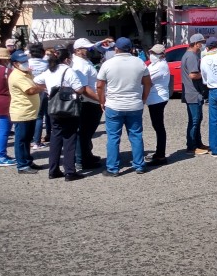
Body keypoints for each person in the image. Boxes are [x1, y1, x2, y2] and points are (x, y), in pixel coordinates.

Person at [96, 37, 151, 176]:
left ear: (116, 49)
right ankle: (139, 165)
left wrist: (102, 101)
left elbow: (99, 85)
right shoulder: (139, 62)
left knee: (113, 137)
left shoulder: (108, 64)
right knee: (136, 135)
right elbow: (148, 83)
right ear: (131, 49)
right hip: (134, 104)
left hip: (114, 105)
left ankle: (113, 168)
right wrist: (143, 98)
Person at [33, 47, 86, 181]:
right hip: (68, 107)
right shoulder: (68, 71)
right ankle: (69, 171)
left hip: (54, 107)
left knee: (56, 138)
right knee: (69, 138)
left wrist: (49, 89)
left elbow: (36, 81)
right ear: (67, 59)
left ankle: (53, 169)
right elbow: (79, 89)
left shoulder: (49, 71)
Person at [7, 50, 43, 174]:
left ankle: (28, 161)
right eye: (23, 62)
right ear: (16, 64)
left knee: (27, 139)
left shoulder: (26, 73)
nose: (26, 63)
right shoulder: (17, 76)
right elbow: (30, 90)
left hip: (30, 111)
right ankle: (22, 165)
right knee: (21, 140)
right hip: (22, 112)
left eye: (26, 61)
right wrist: (44, 87)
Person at [70, 38, 103, 169]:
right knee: (84, 132)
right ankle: (81, 160)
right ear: (77, 50)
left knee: (86, 132)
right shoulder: (80, 64)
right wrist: (100, 100)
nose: (90, 50)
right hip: (88, 102)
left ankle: (86, 155)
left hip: (91, 101)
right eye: (86, 48)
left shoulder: (84, 61)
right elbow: (84, 89)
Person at [181, 33, 208, 155]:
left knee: (196, 119)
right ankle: (191, 146)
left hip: (193, 92)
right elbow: (193, 75)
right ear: (196, 44)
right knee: (194, 120)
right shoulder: (191, 56)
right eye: (201, 43)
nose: (203, 45)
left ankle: (198, 143)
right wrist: (206, 75)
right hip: (193, 93)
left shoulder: (190, 55)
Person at [145, 44, 171, 165]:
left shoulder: (160, 66)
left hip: (157, 99)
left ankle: (161, 155)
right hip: (155, 98)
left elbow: (145, 79)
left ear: (162, 55)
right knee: (157, 126)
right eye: (151, 53)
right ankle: (159, 153)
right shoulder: (155, 64)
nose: (152, 55)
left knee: (159, 126)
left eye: (155, 54)